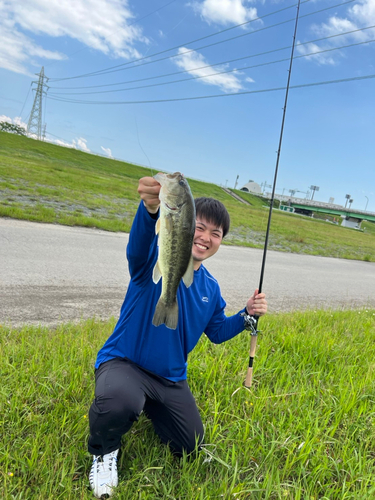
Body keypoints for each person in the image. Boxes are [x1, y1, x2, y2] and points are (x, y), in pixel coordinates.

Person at [88, 176, 267, 498]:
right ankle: (104, 451)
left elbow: (216, 332)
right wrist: (150, 208)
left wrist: (246, 314)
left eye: (216, 233)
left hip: (170, 378)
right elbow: (138, 246)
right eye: (199, 227)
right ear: (183, 225)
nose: (205, 237)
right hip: (125, 361)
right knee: (118, 403)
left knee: (190, 446)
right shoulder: (152, 261)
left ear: (221, 241)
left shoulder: (210, 289)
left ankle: (147, 405)